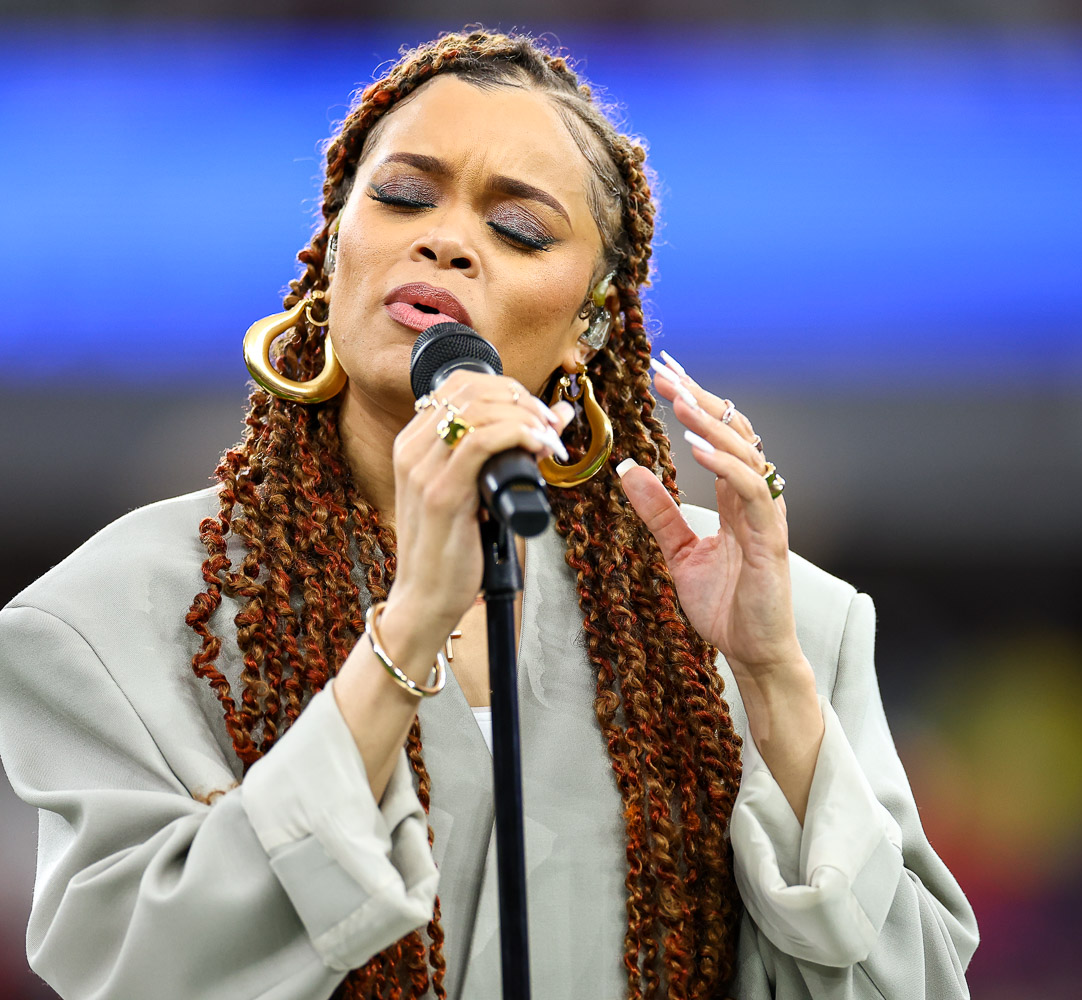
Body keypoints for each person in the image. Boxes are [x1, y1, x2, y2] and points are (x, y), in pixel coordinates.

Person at [0, 29, 978, 1000]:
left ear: (587, 324)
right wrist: (410, 622)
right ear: (333, 243)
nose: (447, 239)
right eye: (402, 196)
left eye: (518, 230)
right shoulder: (106, 618)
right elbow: (141, 970)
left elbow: (915, 985)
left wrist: (770, 682)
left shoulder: (778, 624)